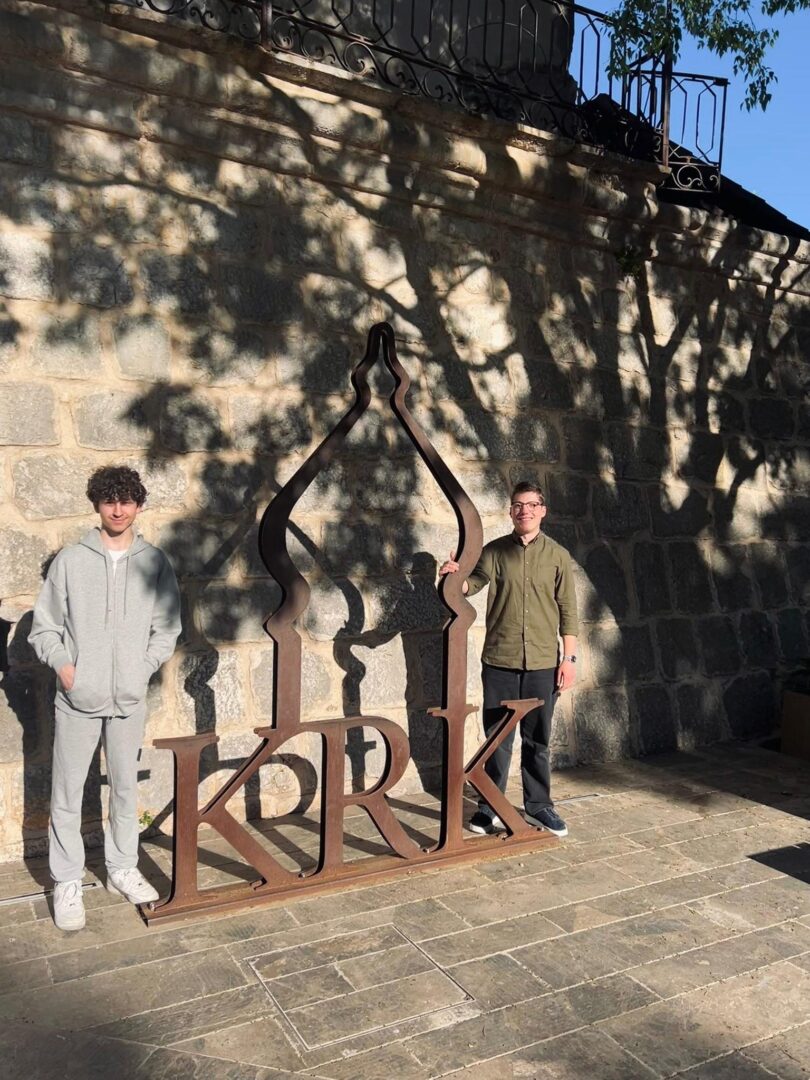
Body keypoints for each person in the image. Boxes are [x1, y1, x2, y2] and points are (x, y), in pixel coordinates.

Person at [29, 465, 181, 931]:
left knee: (124, 787)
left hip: (128, 700)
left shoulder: (155, 562)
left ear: (138, 505)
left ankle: (121, 868)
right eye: (109, 500)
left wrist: (141, 667)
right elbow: (44, 628)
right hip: (78, 698)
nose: (118, 510)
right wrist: (66, 669)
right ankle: (67, 881)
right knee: (68, 791)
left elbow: (167, 627)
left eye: (126, 501)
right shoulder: (71, 561)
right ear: (97, 504)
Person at [439, 479, 578, 837]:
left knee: (538, 740)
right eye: (518, 505)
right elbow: (474, 583)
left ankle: (539, 807)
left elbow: (569, 612)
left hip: (543, 663)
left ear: (542, 510)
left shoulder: (558, 556)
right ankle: (490, 807)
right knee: (496, 739)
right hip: (500, 661)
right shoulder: (495, 551)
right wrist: (455, 578)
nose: (524, 511)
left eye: (531, 504)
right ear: (511, 511)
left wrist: (569, 660)